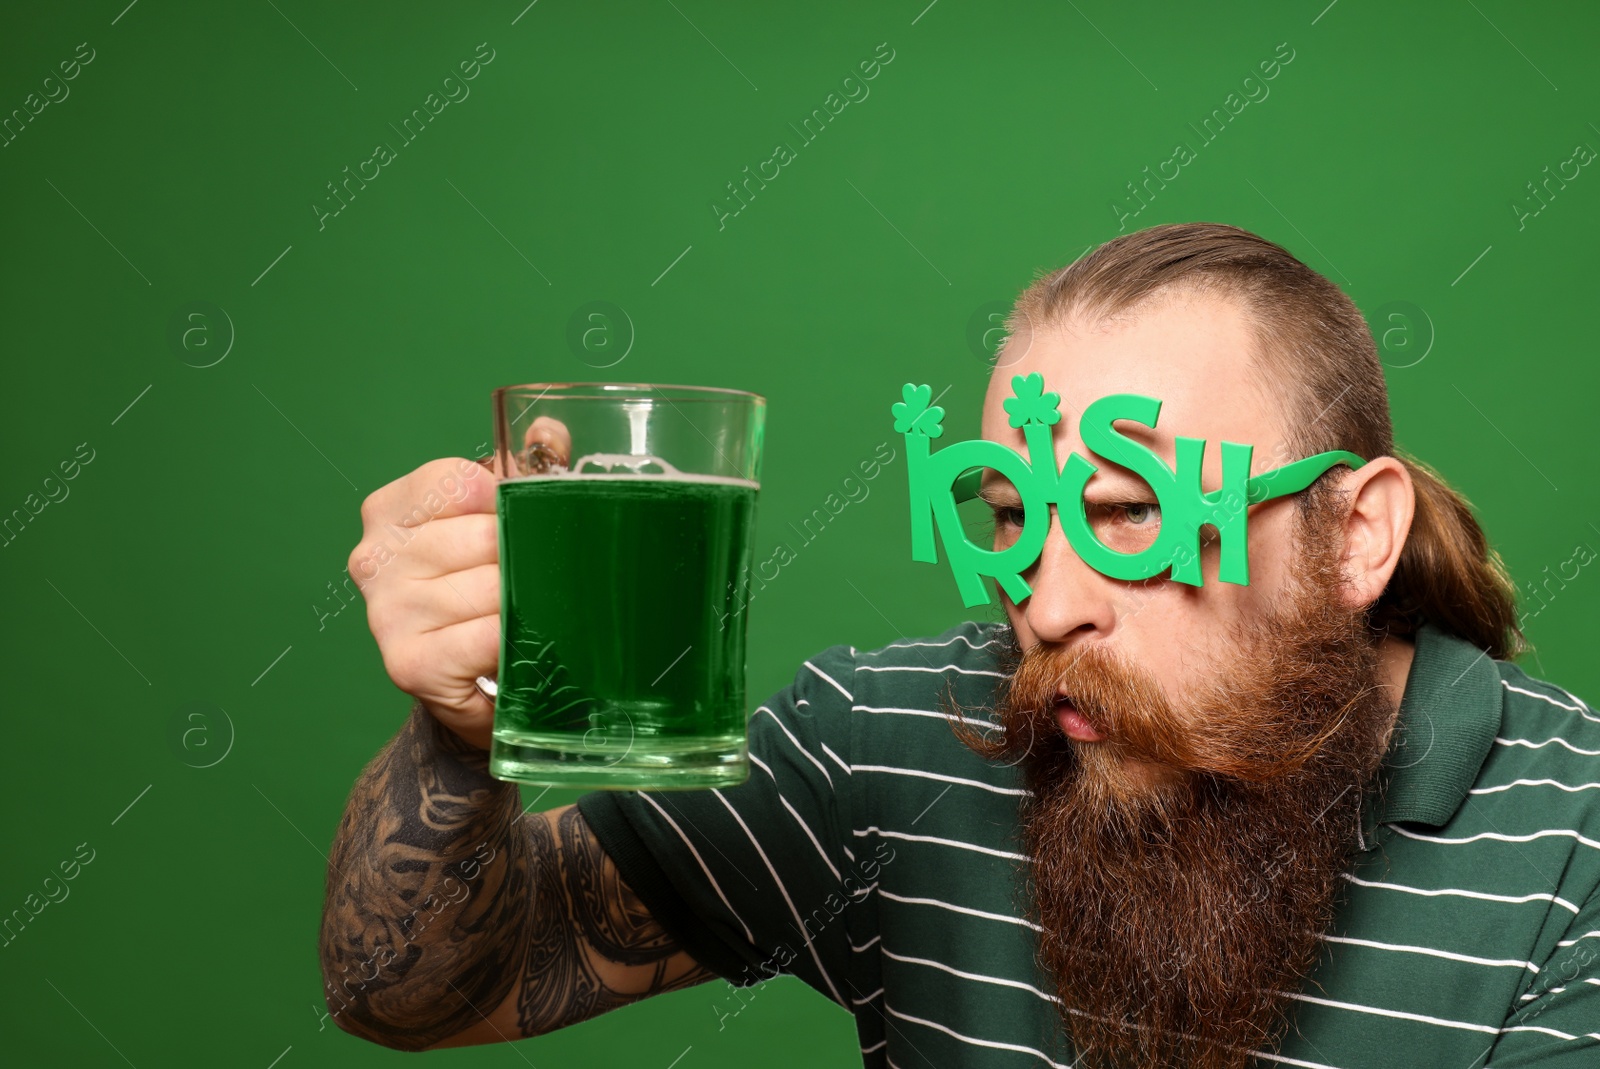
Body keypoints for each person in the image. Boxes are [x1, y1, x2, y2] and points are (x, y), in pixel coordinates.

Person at [319, 223, 1600, 1068]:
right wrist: (461, 740)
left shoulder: (1575, 850)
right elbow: (406, 986)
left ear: (1356, 534)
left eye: (1123, 511)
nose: (1045, 604)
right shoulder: (897, 743)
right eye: (1004, 519)